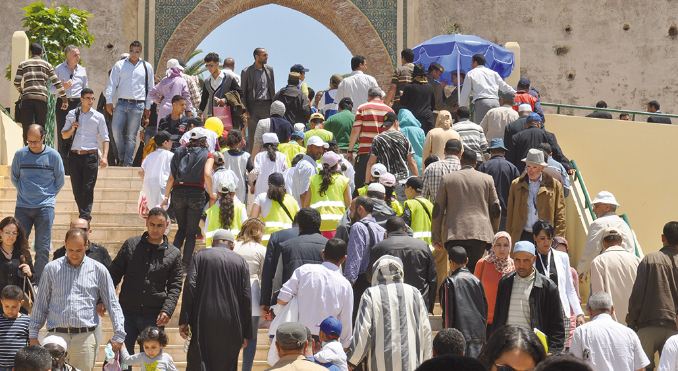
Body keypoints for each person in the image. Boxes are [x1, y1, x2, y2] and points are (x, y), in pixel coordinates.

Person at [29, 228, 126, 371]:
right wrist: (33, 334)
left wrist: (119, 333)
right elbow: (41, 304)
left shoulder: (99, 270)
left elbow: (112, 303)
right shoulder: (51, 269)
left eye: (79, 250)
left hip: (85, 338)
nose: (74, 254)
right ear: (65, 245)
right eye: (70, 250)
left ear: (86, 245)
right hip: (56, 337)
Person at [108, 207, 183, 358]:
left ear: (166, 225)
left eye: (159, 225)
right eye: (152, 224)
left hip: (154, 315)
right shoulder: (131, 245)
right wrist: (103, 299)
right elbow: (114, 274)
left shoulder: (174, 254)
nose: (155, 229)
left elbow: (175, 286)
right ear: (147, 223)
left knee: (151, 361)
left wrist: (167, 310)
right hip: (126, 312)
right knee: (120, 358)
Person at [179, 229, 251, 371]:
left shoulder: (200, 256)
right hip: (232, 321)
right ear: (232, 245)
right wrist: (246, 332)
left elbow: (190, 286)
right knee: (227, 364)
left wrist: (184, 320)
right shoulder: (241, 261)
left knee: (199, 360)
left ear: (213, 243)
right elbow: (246, 297)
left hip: (203, 317)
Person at [347, 255, 432, 370]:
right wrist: (427, 363)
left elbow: (363, 332)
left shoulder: (371, 294)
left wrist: (351, 361)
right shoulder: (415, 293)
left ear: (376, 273)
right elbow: (426, 331)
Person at [432, 148, 500, 273]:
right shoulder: (487, 179)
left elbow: (438, 209)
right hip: (480, 234)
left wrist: (436, 236)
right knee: (475, 271)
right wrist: (493, 234)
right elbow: (495, 209)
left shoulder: (447, 179)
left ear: (461, 161)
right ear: (476, 163)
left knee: (456, 272)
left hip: (455, 233)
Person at [276, 239, 353, 348]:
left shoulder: (304, 271)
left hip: (300, 340)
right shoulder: (345, 285)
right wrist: (344, 346)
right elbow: (346, 320)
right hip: (328, 342)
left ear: (323, 253)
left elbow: (281, 299)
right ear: (344, 259)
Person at [11, 124, 64, 281]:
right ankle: (24, 276)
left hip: (45, 207)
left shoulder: (53, 156)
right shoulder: (20, 155)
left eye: (35, 141)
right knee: (19, 243)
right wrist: (24, 192)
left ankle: (39, 280)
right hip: (23, 207)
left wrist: (48, 195)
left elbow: (59, 180)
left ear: (43, 138)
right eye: (29, 142)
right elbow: (15, 177)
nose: (32, 145)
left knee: (42, 246)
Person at [491, 241, 565, 353]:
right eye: (517, 260)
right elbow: (498, 318)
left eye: (526, 260)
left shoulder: (548, 288)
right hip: (507, 348)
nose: (521, 265)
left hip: (532, 350)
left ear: (534, 259)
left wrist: (552, 353)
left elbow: (557, 327)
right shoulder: (505, 283)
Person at [627, 221, 678, 370]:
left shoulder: (649, 259)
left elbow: (637, 294)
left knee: (644, 367)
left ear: (663, 238)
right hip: (674, 327)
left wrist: (632, 320)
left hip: (648, 324)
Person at [162, 130, 214, 267]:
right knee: (191, 232)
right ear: (204, 140)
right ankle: (185, 264)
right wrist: (212, 193)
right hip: (196, 194)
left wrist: (166, 197)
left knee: (181, 229)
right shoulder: (208, 154)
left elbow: (171, 177)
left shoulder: (179, 151)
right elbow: (207, 174)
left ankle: (171, 262)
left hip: (178, 192)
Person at [61, 88, 110, 221]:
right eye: (88, 98)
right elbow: (64, 135)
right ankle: (83, 214)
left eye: (92, 98)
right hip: (75, 156)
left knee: (88, 187)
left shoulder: (98, 116)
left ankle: (85, 217)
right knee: (77, 188)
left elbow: (105, 138)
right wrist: (72, 128)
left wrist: (104, 157)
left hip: (90, 156)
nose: (91, 101)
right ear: (81, 99)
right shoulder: (72, 114)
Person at [104, 40, 155, 166]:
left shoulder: (146, 67)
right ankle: (121, 157)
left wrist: (148, 107)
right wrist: (109, 101)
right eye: (132, 51)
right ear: (129, 50)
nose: (134, 54)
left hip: (138, 105)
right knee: (115, 131)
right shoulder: (120, 65)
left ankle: (127, 162)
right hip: (121, 103)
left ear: (140, 52)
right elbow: (112, 84)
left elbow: (150, 88)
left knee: (131, 136)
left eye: (137, 52)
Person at [532, 220, 585, 341]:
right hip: (538, 312)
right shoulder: (530, 257)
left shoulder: (562, 257)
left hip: (561, 311)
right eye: (542, 238)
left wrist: (579, 313)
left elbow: (569, 288)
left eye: (549, 238)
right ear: (534, 237)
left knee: (558, 351)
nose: (546, 242)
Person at [370, 217, 437, 312]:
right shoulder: (422, 246)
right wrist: (429, 305)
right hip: (418, 302)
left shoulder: (379, 248)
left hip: (389, 304)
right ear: (405, 229)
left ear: (386, 231)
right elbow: (433, 278)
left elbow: (370, 276)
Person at [569, 292, 649, 371]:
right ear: (612, 310)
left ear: (589, 311)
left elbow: (574, 366)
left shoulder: (581, 332)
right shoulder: (630, 333)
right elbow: (640, 368)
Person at [506, 148, 566, 244]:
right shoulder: (516, 184)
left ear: (542, 168)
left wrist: (559, 239)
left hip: (545, 235)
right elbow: (510, 213)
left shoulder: (554, 185)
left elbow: (560, 214)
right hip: (522, 234)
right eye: (528, 166)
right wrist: (509, 237)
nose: (530, 170)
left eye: (534, 167)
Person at [13, 43, 68, 143]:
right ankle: (40, 149)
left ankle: (27, 150)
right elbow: (57, 83)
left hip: (27, 99)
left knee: (27, 127)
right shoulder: (47, 65)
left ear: (30, 52)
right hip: (41, 100)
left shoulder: (23, 64)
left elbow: (16, 82)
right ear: (42, 52)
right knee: (41, 127)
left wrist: (22, 91)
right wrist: (64, 99)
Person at [439, 246, 488, 357]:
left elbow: (447, 315)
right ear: (467, 260)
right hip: (479, 336)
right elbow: (484, 308)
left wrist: (447, 338)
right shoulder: (476, 281)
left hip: (458, 339)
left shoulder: (449, 282)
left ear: (450, 262)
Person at [258, 209, 312, 308]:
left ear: (294, 222)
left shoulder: (277, 236)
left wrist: (265, 302)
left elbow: (268, 272)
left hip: (282, 297)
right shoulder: (316, 239)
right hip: (309, 297)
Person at [233, 220, 267, 371]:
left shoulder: (233, 246)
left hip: (232, 294)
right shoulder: (261, 249)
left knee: (231, 336)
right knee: (251, 338)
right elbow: (264, 275)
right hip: (253, 294)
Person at [343, 197, 386, 316]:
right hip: (377, 280)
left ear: (360, 209)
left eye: (351, 209)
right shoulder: (380, 229)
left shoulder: (358, 227)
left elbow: (355, 256)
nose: (350, 214)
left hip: (361, 282)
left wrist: (348, 283)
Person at [578, 190, 638, 274]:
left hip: (606, 271)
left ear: (607, 207)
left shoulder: (598, 223)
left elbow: (591, 251)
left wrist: (580, 271)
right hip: (627, 271)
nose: (593, 210)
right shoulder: (624, 224)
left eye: (596, 206)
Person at [590, 228, 640, 324]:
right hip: (634, 320)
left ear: (603, 242)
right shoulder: (636, 260)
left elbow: (598, 295)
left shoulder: (598, 261)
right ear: (621, 241)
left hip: (611, 321)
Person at [347, 87, 394, 188]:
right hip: (384, 154)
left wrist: (350, 150)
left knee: (362, 186)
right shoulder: (390, 110)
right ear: (381, 97)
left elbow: (355, 131)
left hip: (365, 152)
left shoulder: (362, 108)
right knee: (382, 186)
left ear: (369, 96)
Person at [54, 45, 88, 171]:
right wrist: (63, 87)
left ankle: (75, 166)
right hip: (63, 103)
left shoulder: (82, 70)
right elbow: (50, 89)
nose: (78, 57)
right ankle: (63, 167)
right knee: (63, 133)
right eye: (75, 54)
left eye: (78, 54)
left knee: (77, 133)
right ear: (67, 55)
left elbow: (86, 90)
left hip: (77, 105)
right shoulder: (58, 69)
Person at [302, 152, 351, 238]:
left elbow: (306, 204)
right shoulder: (343, 180)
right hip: (337, 223)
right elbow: (348, 204)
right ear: (337, 165)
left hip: (317, 223)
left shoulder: (313, 179)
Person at [365, 111, 418, 188]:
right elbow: (411, 162)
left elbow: (371, 162)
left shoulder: (378, 138)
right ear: (396, 122)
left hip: (384, 181)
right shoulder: (404, 138)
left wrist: (367, 183)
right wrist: (417, 182)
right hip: (401, 181)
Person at [459, 54, 516, 123]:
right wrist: (516, 93)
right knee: (495, 127)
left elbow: (465, 93)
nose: (471, 64)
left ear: (475, 62)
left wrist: (461, 107)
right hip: (495, 102)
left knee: (481, 128)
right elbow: (504, 87)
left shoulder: (471, 73)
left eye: (472, 62)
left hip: (482, 103)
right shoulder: (493, 73)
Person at [474, 231, 514, 329]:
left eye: (505, 245)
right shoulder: (482, 263)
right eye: (498, 245)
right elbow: (474, 291)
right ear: (493, 246)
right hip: (484, 319)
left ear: (510, 247)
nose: (502, 249)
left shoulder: (513, 265)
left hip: (506, 319)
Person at [478, 138, 520, 230]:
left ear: (491, 152)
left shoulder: (483, 167)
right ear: (504, 152)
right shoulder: (512, 168)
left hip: (487, 213)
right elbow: (518, 192)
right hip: (507, 213)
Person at [241, 47, 276, 151]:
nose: (267, 57)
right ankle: (253, 160)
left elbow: (272, 88)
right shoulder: (246, 71)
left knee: (268, 133)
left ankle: (269, 156)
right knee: (253, 135)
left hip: (267, 106)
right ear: (257, 57)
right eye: (264, 55)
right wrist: (245, 109)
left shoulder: (270, 69)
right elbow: (243, 92)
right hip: (253, 107)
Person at [251, 173, 299, 245]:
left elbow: (252, 220)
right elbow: (299, 221)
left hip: (268, 241)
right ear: (283, 185)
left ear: (269, 185)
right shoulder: (292, 200)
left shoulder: (262, 197)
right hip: (289, 241)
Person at [149, 61, 192, 132]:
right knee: (177, 132)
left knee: (162, 133)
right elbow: (186, 96)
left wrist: (159, 101)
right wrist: (188, 110)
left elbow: (151, 93)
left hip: (164, 109)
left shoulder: (163, 81)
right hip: (177, 108)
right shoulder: (181, 81)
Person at [204, 178, 248, 247]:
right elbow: (246, 230)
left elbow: (206, 231)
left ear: (218, 193)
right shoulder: (240, 208)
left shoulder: (211, 210)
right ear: (234, 193)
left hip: (213, 250)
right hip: (235, 250)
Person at [199, 52, 241, 120]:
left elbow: (239, 92)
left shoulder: (228, 78)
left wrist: (225, 100)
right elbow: (204, 99)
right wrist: (200, 112)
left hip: (226, 115)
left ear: (217, 64)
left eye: (211, 65)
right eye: (207, 66)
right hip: (211, 116)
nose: (209, 68)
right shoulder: (207, 81)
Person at [139, 131, 174, 211]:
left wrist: (145, 183)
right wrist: (167, 196)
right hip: (163, 186)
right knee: (162, 212)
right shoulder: (171, 155)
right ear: (165, 143)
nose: (172, 143)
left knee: (153, 212)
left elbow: (141, 172)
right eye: (171, 141)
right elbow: (171, 177)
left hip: (148, 185)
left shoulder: (149, 156)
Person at [285, 136, 325, 204]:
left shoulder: (305, 164)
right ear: (309, 148)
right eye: (318, 147)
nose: (321, 151)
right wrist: (306, 213)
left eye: (322, 148)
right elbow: (304, 195)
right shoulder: (308, 167)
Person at [0, 285, 30, 369]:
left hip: (20, 366)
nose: (10, 310)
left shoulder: (27, 321)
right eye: (6, 306)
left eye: (14, 306)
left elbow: (30, 342)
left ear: (21, 303)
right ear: (1, 302)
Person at [0, 218, 34, 292]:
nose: (10, 236)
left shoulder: (24, 253)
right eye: (7, 232)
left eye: (14, 233)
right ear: (1, 232)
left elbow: (33, 280)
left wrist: (30, 274)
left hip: (18, 301)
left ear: (17, 234)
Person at [400, 64, 436, 132]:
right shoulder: (430, 87)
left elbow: (403, 103)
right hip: (428, 120)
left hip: (413, 120)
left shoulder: (409, 87)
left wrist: (402, 96)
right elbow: (433, 105)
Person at [222, 129, 251, 203]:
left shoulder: (224, 155)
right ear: (240, 141)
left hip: (225, 188)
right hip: (241, 188)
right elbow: (252, 171)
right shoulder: (246, 156)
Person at [402, 176, 434, 245]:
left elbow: (405, 225)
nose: (404, 191)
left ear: (410, 189)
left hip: (414, 244)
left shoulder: (409, 204)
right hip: (430, 245)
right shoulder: (430, 203)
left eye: (405, 187)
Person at [398, 109, 426, 173]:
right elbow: (424, 146)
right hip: (419, 162)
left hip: (404, 163)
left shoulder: (399, 131)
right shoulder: (420, 131)